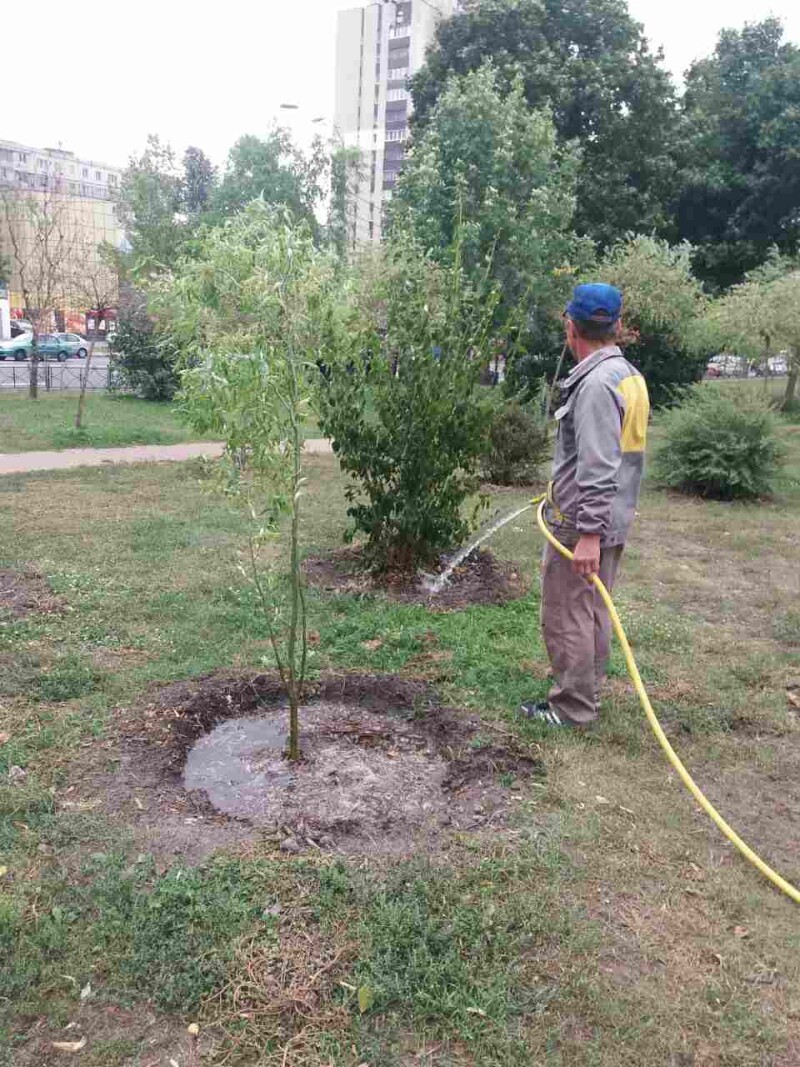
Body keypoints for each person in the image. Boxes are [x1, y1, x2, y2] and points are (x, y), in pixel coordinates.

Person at [520, 283, 650, 728]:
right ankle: (586, 693)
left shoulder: (595, 384)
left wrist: (588, 534)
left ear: (570, 325)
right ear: (616, 326)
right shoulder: (626, 374)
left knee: (567, 612)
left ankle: (571, 707)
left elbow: (597, 465)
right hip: (612, 515)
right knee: (593, 610)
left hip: (584, 524)